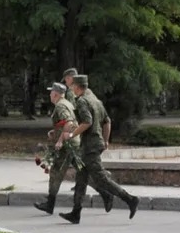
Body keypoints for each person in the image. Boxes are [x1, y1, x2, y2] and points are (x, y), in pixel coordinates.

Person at [56, 75, 139, 225]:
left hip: (90, 146)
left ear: (77, 86)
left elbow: (87, 122)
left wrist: (71, 134)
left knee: (101, 178)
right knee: (81, 178)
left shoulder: (82, 100)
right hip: (94, 144)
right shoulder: (96, 100)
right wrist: (106, 140)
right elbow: (107, 121)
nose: (72, 88)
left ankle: (130, 199)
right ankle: (76, 212)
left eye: (73, 85)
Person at [34, 82, 114, 215]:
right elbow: (71, 123)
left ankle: (50, 204)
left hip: (68, 146)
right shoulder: (68, 103)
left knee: (55, 173)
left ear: (55, 94)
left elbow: (69, 123)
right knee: (83, 173)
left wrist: (60, 140)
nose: (49, 94)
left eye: (51, 92)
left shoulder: (60, 106)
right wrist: (55, 132)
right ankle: (106, 194)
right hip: (74, 144)